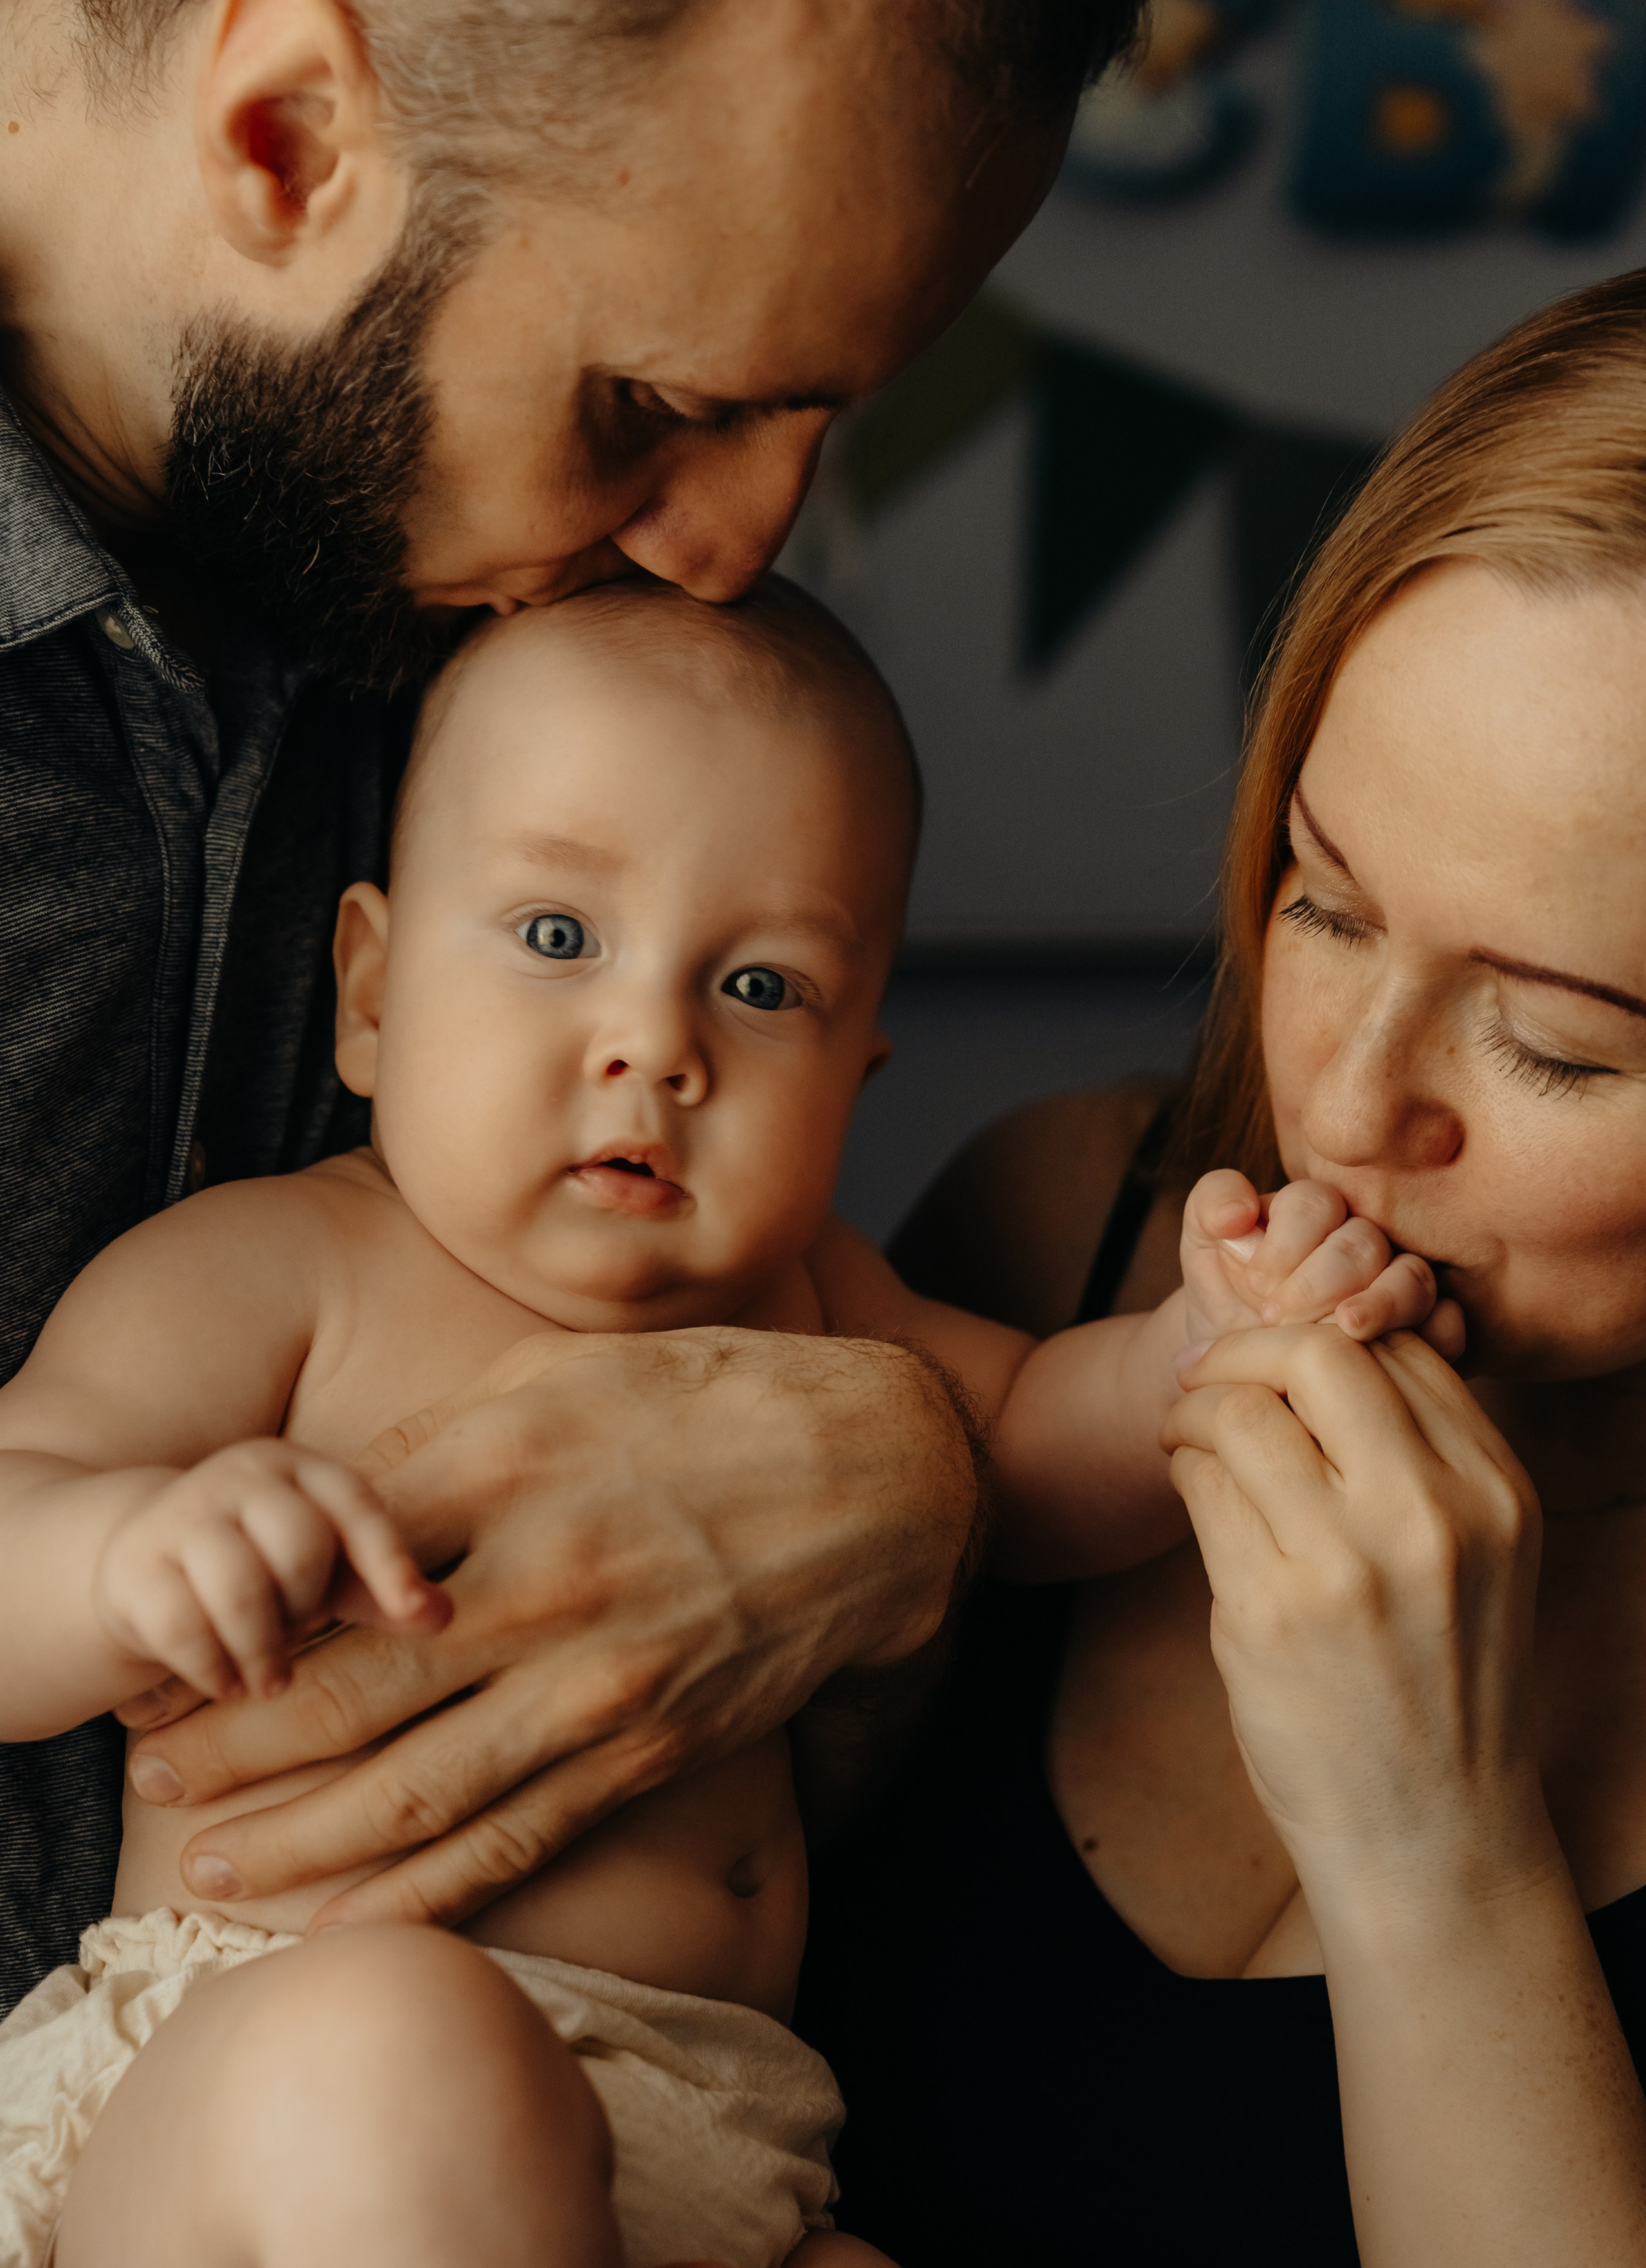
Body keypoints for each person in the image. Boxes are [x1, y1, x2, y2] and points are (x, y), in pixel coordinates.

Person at [0, 574, 1431, 2268]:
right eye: (557, 934)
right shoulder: (275, 1274)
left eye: (761, 988)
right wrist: (129, 1559)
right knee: (411, 2059)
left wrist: (1203, 1338)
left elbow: (1033, 1453)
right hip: (257, 2120)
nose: (654, 1043)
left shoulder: (821, 1304)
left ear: (856, 1075)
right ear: (370, 989)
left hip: (710, 2176)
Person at [0, 0, 1146, 2025]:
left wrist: (910, 1462)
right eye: (657, 402)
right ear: (286, 141)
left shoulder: (507, 633)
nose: (729, 557)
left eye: (818, 423)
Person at [802, 266, 1646, 2268]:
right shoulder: (1048, 1246)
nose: (1344, 1106)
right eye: (1327, 904)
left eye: (1558, 1043)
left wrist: (1433, 1844)